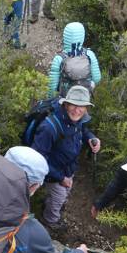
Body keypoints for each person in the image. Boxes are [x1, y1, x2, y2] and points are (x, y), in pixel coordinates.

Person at [31, 85, 101, 229]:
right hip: (54, 173)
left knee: (62, 194)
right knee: (59, 196)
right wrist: (60, 178)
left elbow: (82, 129)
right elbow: (38, 159)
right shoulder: (49, 127)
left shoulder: (77, 119)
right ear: (66, 104)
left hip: (68, 168)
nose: (77, 110)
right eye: (73, 105)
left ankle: (51, 205)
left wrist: (91, 138)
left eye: (82, 106)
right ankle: (50, 221)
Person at [48, 22, 102, 98]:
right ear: (82, 36)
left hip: (66, 99)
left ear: (65, 37)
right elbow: (97, 78)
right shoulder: (89, 54)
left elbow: (52, 86)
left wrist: (51, 99)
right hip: (84, 98)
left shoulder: (59, 58)